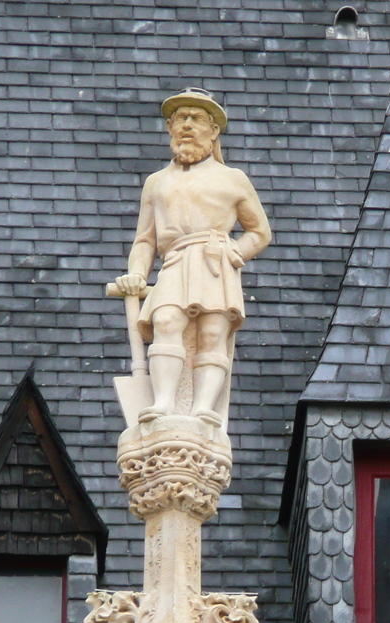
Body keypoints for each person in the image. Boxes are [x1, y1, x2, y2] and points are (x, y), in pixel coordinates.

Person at [114, 88, 272, 426]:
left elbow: (259, 232)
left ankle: (203, 407)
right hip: (175, 260)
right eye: (180, 118)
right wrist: (137, 274)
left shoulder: (233, 179)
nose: (187, 125)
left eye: (197, 118)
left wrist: (234, 251)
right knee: (166, 322)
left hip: (214, 261)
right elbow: (145, 240)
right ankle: (165, 403)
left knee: (213, 333)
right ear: (170, 128)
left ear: (213, 131)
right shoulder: (156, 183)